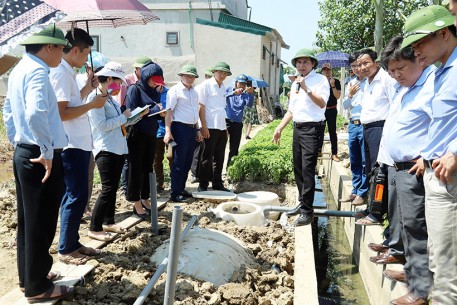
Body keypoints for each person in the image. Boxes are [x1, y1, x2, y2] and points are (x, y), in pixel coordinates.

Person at [3, 24, 74, 303]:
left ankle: (29, 277)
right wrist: (45, 149)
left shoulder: (20, 68)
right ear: (49, 47)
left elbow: (9, 110)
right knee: (42, 220)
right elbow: (35, 112)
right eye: (61, 49)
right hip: (39, 155)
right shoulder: (37, 71)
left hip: (25, 151)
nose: (62, 55)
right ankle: (37, 287)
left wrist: (17, 141)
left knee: (29, 220)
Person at [403, 5, 457, 304]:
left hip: (450, 176)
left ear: (443, 33)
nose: (416, 52)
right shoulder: (441, 73)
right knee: (439, 260)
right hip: (436, 175)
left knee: (447, 272)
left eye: (419, 43)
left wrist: (455, 153)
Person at [380, 35, 434, 305]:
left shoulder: (431, 85)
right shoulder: (406, 89)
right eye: (392, 71)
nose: (397, 75)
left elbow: (445, 124)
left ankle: (420, 290)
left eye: (401, 68)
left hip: (416, 169)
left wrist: (427, 155)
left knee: (416, 227)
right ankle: (412, 273)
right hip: (399, 167)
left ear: (417, 60)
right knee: (405, 224)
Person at [50, 28, 104, 265]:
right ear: (75, 51)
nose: (86, 59)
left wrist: (87, 90)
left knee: (78, 196)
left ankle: (72, 242)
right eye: (86, 53)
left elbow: (73, 102)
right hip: (71, 144)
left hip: (79, 142)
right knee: (76, 196)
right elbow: (61, 113)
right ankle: (65, 248)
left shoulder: (69, 72)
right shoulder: (61, 73)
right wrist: (92, 105)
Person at [272, 48, 330, 226]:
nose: (301, 65)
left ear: (313, 64)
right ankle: (301, 202)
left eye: (305, 62)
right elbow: (292, 110)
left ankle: (307, 211)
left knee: (307, 169)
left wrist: (306, 88)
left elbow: (322, 104)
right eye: (299, 62)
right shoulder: (295, 82)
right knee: (297, 167)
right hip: (298, 128)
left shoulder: (320, 80)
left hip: (313, 129)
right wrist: (280, 128)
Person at [86, 62, 131, 241]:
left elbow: (118, 122)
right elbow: (101, 125)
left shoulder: (109, 98)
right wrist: (123, 117)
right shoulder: (95, 98)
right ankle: (95, 227)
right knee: (107, 188)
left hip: (118, 147)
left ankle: (109, 221)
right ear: (110, 78)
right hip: (105, 148)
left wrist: (129, 118)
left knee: (113, 188)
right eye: (118, 82)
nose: (119, 86)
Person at [354, 48, 397, 225]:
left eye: (366, 63)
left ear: (376, 62)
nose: (362, 67)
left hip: (380, 128)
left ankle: (378, 213)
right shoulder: (367, 83)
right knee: (370, 170)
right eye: (359, 65)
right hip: (368, 128)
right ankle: (371, 207)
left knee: (379, 172)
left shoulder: (386, 79)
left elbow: (395, 105)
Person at [125, 62, 165, 219]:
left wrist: (160, 112)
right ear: (146, 77)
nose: (156, 83)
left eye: (158, 80)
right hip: (136, 134)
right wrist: (154, 110)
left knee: (148, 168)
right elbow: (132, 113)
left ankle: (145, 197)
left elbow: (153, 110)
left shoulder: (154, 91)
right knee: (135, 169)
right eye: (153, 80)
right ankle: (136, 203)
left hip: (150, 133)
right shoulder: (134, 89)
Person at [76, 51, 109, 218]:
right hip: (78, 135)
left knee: (89, 173)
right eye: (97, 70)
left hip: (94, 135)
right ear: (88, 68)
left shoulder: (102, 85)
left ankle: (85, 205)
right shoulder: (78, 82)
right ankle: (77, 207)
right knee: (78, 174)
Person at [164, 64, 202, 202]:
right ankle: (175, 193)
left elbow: (195, 112)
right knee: (179, 161)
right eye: (187, 75)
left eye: (192, 76)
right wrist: (168, 131)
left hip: (192, 128)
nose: (190, 78)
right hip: (179, 128)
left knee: (187, 161)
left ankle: (182, 188)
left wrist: (197, 129)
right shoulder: (174, 91)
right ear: (181, 76)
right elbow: (169, 112)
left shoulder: (194, 92)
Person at [118, 56, 153, 194]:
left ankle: (140, 189)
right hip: (130, 121)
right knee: (130, 159)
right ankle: (126, 186)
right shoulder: (128, 81)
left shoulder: (148, 83)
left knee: (142, 162)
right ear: (138, 69)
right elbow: (122, 102)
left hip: (144, 123)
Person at [196, 62, 232, 192]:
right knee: (206, 156)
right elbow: (201, 106)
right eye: (220, 72)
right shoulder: (205, 85)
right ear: (214, 71)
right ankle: (203, 184)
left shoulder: (222, 86)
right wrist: (203, 126)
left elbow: (222, 109)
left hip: (221, 126)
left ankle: (217, 183)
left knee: (220, 156)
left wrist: (225, 128)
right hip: (209, 125)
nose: (222, 75)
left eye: (225, 73)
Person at [341, 52, 368, 206]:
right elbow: (345, 106)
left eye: (358, 65)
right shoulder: (350, 83)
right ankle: (355, 189)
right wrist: (350, 95)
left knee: (365, 160)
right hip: (353, 124)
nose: (357, 69)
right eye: (353, 66)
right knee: (354, 159)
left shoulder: (370, 82)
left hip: (365, 124)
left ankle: (363, 192)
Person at [225, 74, 255, 168]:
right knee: (220, 146)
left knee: (234, 148)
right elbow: (222, 96)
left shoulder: (246, 95)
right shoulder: (228, 90)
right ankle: (216, 171)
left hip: (238, 124)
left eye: (243, 84)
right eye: (240, 83)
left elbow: (249, 105)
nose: (241, 86)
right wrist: (234, 93)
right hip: (225, 122)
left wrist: (251, 94)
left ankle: (230, 168)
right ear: (236, 83)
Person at [320, 62, 341, 162]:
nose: (327, 71)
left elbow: (337, 96)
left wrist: (332, 86)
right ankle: (319, 150)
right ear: (322, 71)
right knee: (319, 131)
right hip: (321, 110)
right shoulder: (319, 82)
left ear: (331, 70)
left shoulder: (336, 81)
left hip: (332, 109)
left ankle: (334, 153)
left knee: (332, 132)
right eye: (325, 69)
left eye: (328, 69)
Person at [154, 85, 171, 193]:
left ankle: (175, 183)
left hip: (170, 131)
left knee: (172, 157)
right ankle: (159, 184)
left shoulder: (170, 92)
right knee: (157, 159)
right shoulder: (149, 93)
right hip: (157, 132)